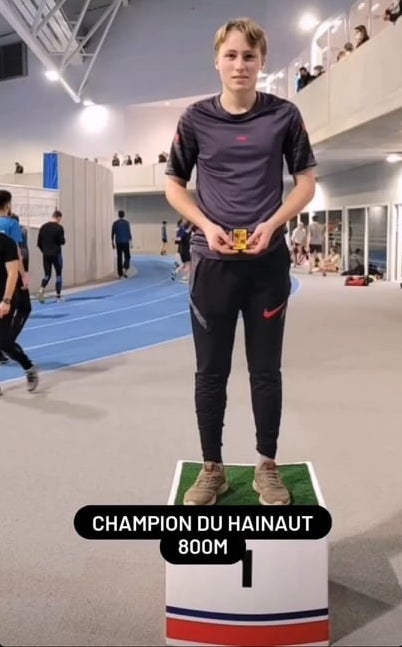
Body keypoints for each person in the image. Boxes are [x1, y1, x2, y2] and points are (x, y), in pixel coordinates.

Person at [165, 17, 316, 506]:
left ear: (262, 62)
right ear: (217, 61)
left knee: (265, 370)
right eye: (230, 55)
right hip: (212, 265)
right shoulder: (195, 119)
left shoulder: (285, 115)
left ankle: (266, 466)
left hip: (267, 265)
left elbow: (306, 183)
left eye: (249, 56)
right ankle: (213, 469)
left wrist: (273, 223)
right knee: (210, 373)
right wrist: (205, 226)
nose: (240, 65)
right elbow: (174, 185)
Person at [0, 191, 38, 394]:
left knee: (4, 342)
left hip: (5, 294)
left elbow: (13, 271)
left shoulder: (6, 242)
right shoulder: (12, 225)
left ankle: (28, 367)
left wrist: (6, 300)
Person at [37, 210, 65, 303]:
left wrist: (44, 251)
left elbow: (39, 243)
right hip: (56, 254)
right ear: (58, 217)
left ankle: (41, 289)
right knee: (58, 274)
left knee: (47, 275)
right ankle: (58, 296)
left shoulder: (43, 227)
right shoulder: (59, 228)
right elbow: (62, 241)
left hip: (46, 254)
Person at [111, 210, 132, 278]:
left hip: (118, 242)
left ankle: (120, 274)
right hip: (125, 242)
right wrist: (131, 242)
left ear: (118, 215)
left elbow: (112, 233)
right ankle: (125, 268)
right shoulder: (127, 223)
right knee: (127, 256)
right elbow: (129, 233)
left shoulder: (115, 223)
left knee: (119, 257)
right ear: (124, 215)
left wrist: (112, 242)